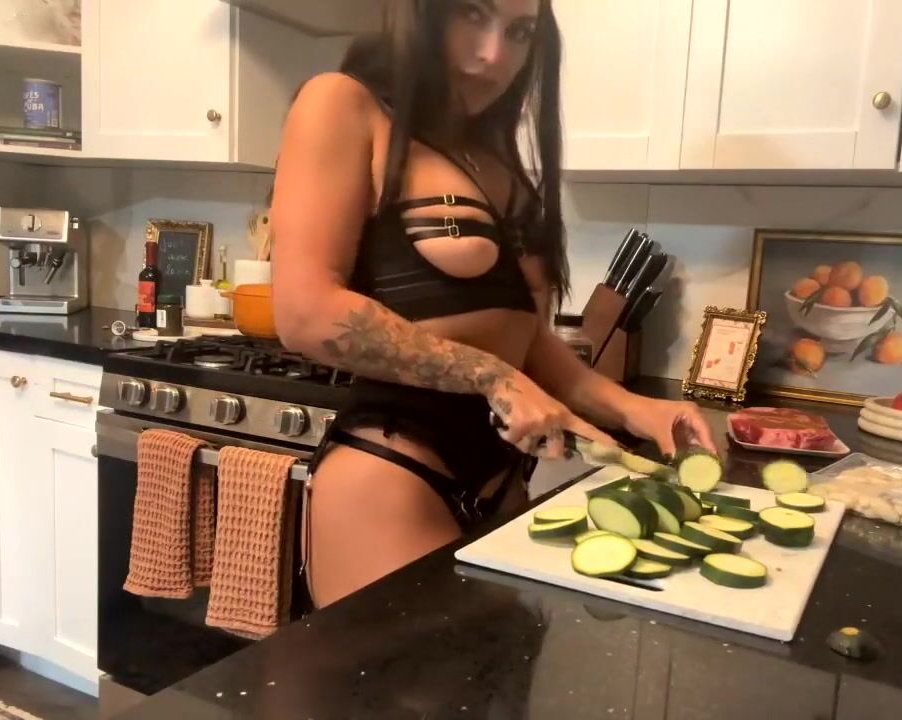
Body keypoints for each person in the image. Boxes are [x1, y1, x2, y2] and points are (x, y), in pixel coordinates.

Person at [271, 0, 716, 608]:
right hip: (393, 471)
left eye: (520, 32)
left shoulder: (497, 161)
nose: (494, 55)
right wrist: (492, 376)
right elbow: (305, 313)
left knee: (498, 665)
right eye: (472, 15)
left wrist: (638, 410)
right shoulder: (343, 103)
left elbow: (528, 342)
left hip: (500, 479)